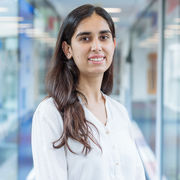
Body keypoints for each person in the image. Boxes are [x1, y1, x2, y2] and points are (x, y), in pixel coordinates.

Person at [31, 4, 145, 180]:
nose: (97, 46)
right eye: (85, 39)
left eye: (104, 37)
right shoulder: (51, 113)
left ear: (113, 45)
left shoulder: (119, 112)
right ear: (67, 49)